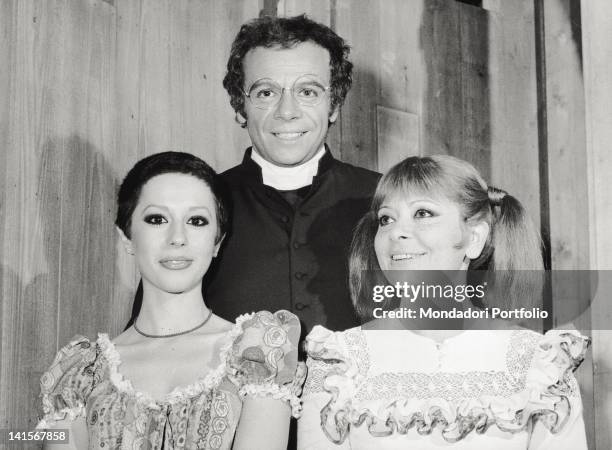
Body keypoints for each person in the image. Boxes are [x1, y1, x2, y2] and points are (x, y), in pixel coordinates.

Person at [298, 155, 590, 449]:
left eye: (423, 213)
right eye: (386, 219)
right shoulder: (338, 363)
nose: (396, 232)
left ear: (474, 238)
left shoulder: (539, 364)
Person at [37, 152, 303, 449]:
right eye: (157, 219)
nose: (178, 237)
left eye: (197, 221)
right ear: (126, 237)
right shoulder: (79, 373)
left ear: (217, 241)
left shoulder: (257, 354)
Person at [204, 14, 381, 333]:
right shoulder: (198, 205)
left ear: (334, 104)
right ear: (240, 106)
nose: (287, 112)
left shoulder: (388, 201)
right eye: (266, 93)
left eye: (308, 92)